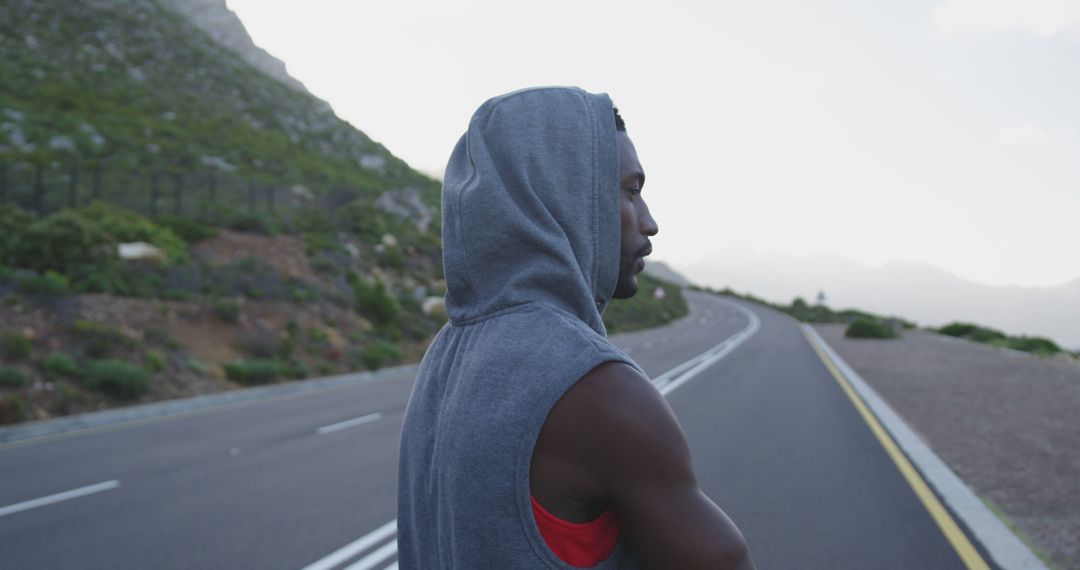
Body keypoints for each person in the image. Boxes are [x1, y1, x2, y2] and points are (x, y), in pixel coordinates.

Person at [398, 87, 754, 569]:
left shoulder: (442, 359)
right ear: (569, 197)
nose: (649, 223)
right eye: (631, 192)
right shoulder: (598, 389)